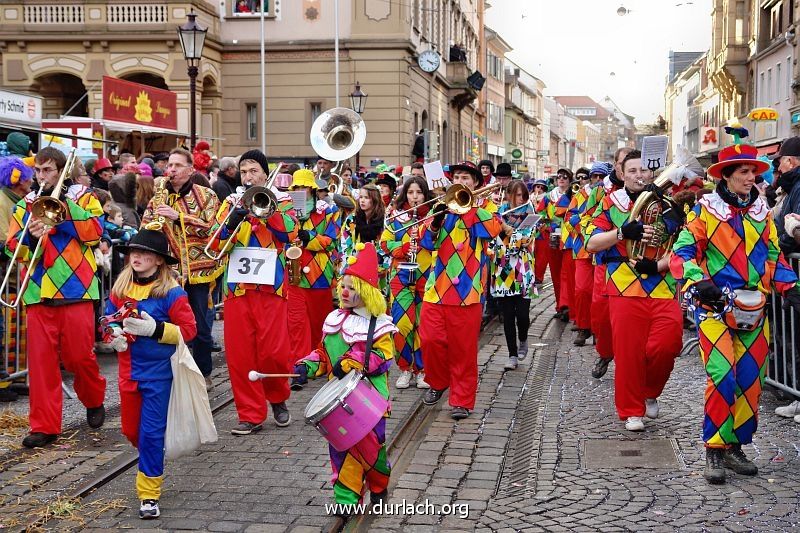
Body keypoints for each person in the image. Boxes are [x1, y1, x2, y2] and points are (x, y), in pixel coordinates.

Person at [671, 142, 800, 484]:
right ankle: (713, 447)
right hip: (713, 308)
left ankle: (734, 446)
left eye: (753, 172)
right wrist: (698, 282)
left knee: (750, 381)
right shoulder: (704, 212)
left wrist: (791, 288)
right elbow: (683, 251)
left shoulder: (761, 212)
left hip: (753, 309)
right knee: (723, 375)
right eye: (743, 171)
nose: (751, 177)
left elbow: (775, 256)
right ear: (726, 176)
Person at [6, 147, 107, 448]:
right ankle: (44, 426)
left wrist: (62, 210)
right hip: (38, 292)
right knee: (41, 364)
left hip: (77, 289)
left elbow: (95, 233)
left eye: (48, 170)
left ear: (62, 170)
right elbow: (13, 248)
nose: (41, 176)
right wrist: (30, 237)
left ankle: (93, 399)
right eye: (38, 171)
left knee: (79, 357)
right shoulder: (25, 205)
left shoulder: (84, 198)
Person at [291, 243, 396, 512]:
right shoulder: (333, 319)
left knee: (373, 452)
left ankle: (378, 486)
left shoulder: (379, 324)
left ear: (367, 291)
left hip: (371, 399)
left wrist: (352, 362)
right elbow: (323, 355)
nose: (345, 291)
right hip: (339, 402)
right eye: (343, 285)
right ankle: (347, 500)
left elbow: (382, 358)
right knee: (341, 450)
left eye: (352, 286)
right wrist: (307, 366)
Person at [585, 150, 684, 432]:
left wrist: (659, 264)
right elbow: (591, 244)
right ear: (622, 174)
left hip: (662, 284)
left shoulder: (670, 204)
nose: (639, 175)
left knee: (668, 345)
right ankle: (631, 410)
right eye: (632, 171)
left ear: (651, 172)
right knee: (628, 353)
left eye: (643, 170)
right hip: (623, 285)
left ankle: (650, 390)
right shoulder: (610, 203)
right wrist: (621, 233)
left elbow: (685, 246)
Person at [102, 229, 196, 519]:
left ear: (158, 261)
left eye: (144, 254)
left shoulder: (172, 294)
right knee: (133, 432)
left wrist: (155, 329)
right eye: (134, 252)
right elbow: (106, 318)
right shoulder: (119, 290)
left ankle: (149, 494)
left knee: (152, 434)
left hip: (159, 375)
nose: (137, 257)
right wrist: (112, 335)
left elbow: (190, 332)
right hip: (129, 373)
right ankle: (151, 454)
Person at [207, 150, 298, 434]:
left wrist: (267, 212)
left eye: (253, 171)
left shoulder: (282, 200)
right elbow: (215, 241)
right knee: (241, 354)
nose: (248, 176)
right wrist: (234, 220)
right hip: (237, 288)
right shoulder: (231, 202)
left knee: (273, 352)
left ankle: (278, 398)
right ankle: (250, 414)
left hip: (272, 285)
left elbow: (291, 235)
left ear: (264, 172)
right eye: (243, 172)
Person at [419, 161, 502, 419]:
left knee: (463, 350)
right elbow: (425, 242)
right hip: (437, 289)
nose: (461, 181)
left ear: (475, 183)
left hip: (468, 292)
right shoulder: (439, 207)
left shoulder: (486, 208)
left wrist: (469, 207)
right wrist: (437, 219)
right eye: (457, 177)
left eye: (466, 177)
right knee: (430, 340)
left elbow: (493, 229)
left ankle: (462, 400)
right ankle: (438, 381)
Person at [140, 148, 223, 388]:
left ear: (191, 169)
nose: (172, 170)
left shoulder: (206, 195)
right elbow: (147, 225)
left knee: (200, 325)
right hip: (169, 271)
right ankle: (174, 372)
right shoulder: (159, 196)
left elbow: (213, 228)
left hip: (199, 270)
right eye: (170, 165)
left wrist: (179, 217)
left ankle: (203, 373)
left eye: (177, 165)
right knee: (167, 322)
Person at [286, 169, 341, 373]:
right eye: (296, 187)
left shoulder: (328, 211)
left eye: (304, 187)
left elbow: (331, 240)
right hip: (294, 273)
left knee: (320, 322)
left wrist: (309, 237)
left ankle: (320, 361)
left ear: (312, 189)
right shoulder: (287, 211)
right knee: (297, 323)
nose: (301, 191)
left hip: (320, 274)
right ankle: (300, 366)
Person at [380, 175, 433, 389]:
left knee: (422, 325)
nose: (415, 197)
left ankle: (422, 370)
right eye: (411, 192)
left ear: (425, 194)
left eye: (419, 192)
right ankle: (404, 368)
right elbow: (384, 243)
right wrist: (402, 250)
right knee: (402, 323)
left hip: (426, 274)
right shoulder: (395, 217)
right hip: (400, 276)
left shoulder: (433, 216)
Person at [587, 149, 631, 379]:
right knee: (601, 315)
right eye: (624, 163)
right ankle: (605, 352)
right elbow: (584, 219)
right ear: (616, 165)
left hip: (636, 266)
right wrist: (606, 235)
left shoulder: (646, 190)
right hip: (606, 260)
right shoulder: (599, 191)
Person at [493, 180, 536, 370]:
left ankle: (524, 339)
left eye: (523, 196)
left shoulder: (529, 211)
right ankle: (511, 354)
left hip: (524, 267)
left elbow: (527, 238)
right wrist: (502, 228)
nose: (520, 199)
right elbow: (492, 236)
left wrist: (513, 233)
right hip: (503, 268)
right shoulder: (498, 213)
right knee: (508, 315)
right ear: (509, 195)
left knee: (523, 315)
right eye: (517, 195)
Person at [569, 165, 600, 347]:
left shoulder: (610, 195)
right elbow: (569, 219)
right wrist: (586, 230)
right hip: (582, 248)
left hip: (604, 250)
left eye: (600, 176)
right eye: (593, 176)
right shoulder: (580, 195)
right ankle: (583, 326)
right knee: (581, 290)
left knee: (599, 293)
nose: (596, 179)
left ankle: (598, 329)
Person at [537, 171, 570, 320]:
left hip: (570, 240)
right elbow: (540, 216)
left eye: (565, 177)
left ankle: (569, 306)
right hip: (553, 239)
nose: (561, 180)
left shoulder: (574, 196)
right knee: (556, 273)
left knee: (568, 274)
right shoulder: (548, 198)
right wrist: (548, 226)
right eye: (559, 177)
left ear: (570, 180)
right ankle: (560, 306)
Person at [340, 183, 387, 281]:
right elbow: (346, 241)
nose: (362, 200)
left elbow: (385, 243)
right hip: (355, 265)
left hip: (378, 267)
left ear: (374, 199)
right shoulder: (352, 220)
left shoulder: (384, 221)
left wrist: (382, 264)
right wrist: (351, 260)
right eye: (361, 197)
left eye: (366, 197)